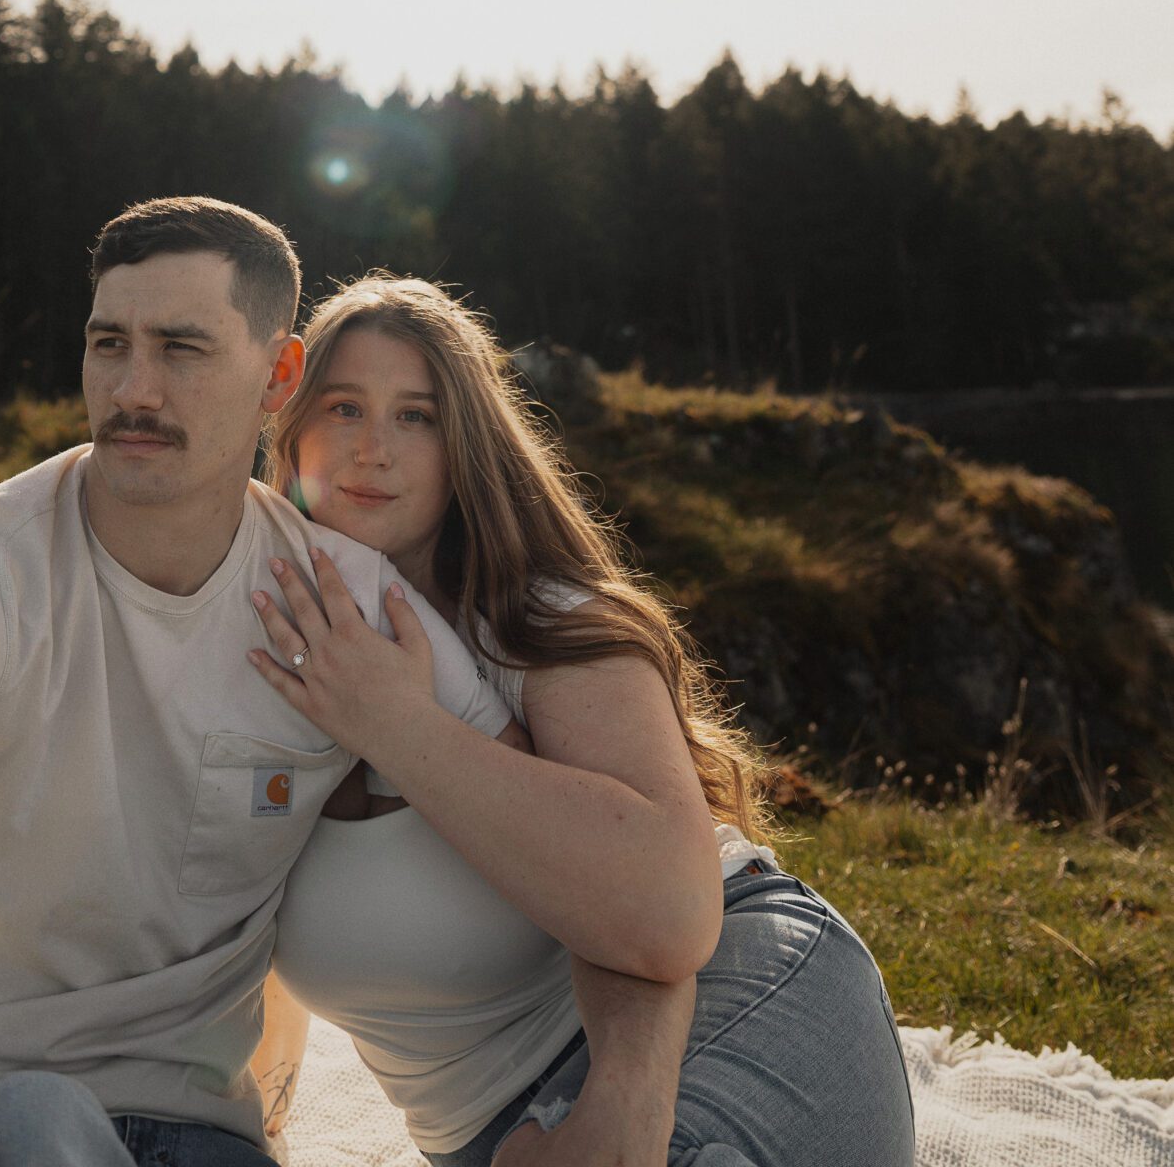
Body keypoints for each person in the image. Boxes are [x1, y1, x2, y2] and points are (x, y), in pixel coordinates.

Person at [0, 201, 518, 1167]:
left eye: (181, 348)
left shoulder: (349, 604)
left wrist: (408, 732)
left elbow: (539, 830)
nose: (133, 389)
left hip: (207, 1129)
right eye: (107, 343)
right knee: (39, 1119)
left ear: (278, 377)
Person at [252, 275, 916, 1167]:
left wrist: (627, 1093)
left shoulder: (541, 624)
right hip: (480, 1134)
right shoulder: (256, 644)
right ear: (291, 432)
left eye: (417, 417)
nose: (374, 448)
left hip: (731, 992)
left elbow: (658, 916)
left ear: (465, 451)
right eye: (343, 407)